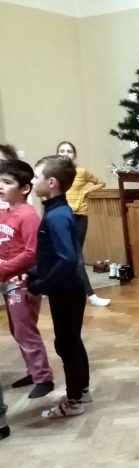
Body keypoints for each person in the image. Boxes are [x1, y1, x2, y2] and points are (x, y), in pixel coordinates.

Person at [13, 156, 91, 418]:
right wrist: (31, 274)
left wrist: (39, 286)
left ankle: (74, 401)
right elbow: (50, 257)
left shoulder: (57, 215)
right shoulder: (56, 210)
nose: (32, 181)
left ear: (52, 182)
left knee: (66, 345)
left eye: (36, 177)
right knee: (71, 342)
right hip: (66, 289)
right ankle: (82, 391)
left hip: (66, 291)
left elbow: (67, 259)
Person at [0, 160, 54, 399]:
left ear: (24, 188)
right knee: (17, 329)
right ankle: (33, 372)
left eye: (7, 182)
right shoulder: (4, 213)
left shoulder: (28, 215)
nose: (1, 186)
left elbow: (32, 253)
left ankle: (44, 378)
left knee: (25, 330)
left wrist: (4, 268)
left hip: (22, 282)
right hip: (7, 279)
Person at [56, 141, 109, 307]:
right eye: (62, 151)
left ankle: (87, 294)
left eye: (69, 151)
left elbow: (101, 182)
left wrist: (86, 191)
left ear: (74, 155)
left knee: (76, 256)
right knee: (68, 257)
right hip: (60, 219)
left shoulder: (81, 172)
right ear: (57, 154)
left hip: (79, 217)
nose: (65, 154)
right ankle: (84, 294)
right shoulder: (53, 173)